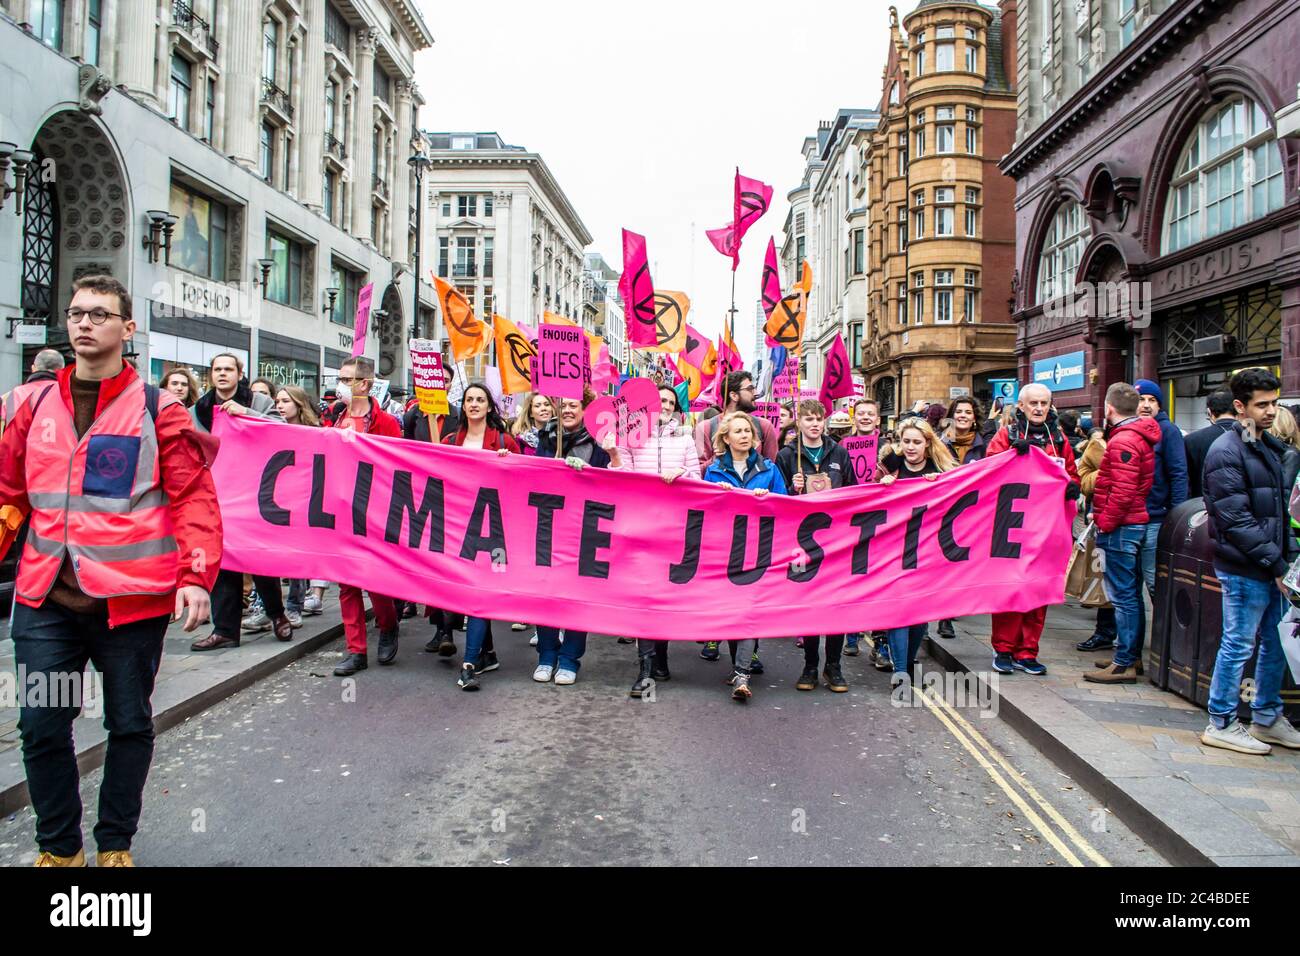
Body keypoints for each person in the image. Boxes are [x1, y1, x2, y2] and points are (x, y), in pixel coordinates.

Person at [0, 275, 219, 867]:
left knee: (128, 724)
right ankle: (59, 849)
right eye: (76, 314)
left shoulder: (159, 408)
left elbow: (193, 495)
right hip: (46, 597)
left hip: (131, 606)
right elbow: (9, 491)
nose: (84, 323)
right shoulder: (31, 404)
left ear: (128, 328)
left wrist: (195, 575)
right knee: (42, 725)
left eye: (99, 314)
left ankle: (114, 843)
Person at [1200, 368, 1300, 755]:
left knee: (1274, 642)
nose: (1272, 411)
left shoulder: (1266, 446)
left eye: (1274, 402)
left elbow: (1281, 511)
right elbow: (1236, 520)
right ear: (1240, 406)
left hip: (1271, 567)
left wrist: (1285, 564)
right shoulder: (1227, 451)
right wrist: (1277, 566)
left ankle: (1266, 718)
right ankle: (1221, 722)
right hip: (1244, 568)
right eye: (1263, 404)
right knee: (1238, 644)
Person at [189, 352, 291, 650]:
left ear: (239, 373)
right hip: (217, 493)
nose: (222, 374)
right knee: (224, 562)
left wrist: (247, 414)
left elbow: (281, 430)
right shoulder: (200, 409)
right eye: (217, 369)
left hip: (254, 491)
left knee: (258, 559)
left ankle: (277, 614)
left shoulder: (257, 401)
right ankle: (225, 630)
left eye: (228, 369)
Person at [984, 383, 1081, 676]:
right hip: (1013, 526)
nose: (1039, 408)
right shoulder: (1006, 435)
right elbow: (988, 471)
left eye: (1044, 403)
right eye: (1033, 403)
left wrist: (1072, 487)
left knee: (1039, 590)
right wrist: (1011, 456)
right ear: (1022, 406)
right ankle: (1003, 649)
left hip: (1047, 526)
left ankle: (1027, 652)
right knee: (1010, 590)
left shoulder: (1060, 438)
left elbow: (1071, 472)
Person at [611, 385, 701, 694]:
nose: (663, 405)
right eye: (659, 400)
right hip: (640, 527)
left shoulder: (686, 440)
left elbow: (698, 481)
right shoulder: (630, 438)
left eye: (669, 402)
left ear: (675, 409)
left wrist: (683, 475)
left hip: (674, 528)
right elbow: (620, 477)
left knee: (663, 598)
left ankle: (660, 656)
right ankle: (646, 668)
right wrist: (613, 452)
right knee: (644, 599)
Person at [700, 411, 787, 701]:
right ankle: (739, 664)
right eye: (738, 431)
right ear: (725, 438)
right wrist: (716, 494)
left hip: (757, 549)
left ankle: (741, 673)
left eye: (748, 431)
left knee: (749, 609)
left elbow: (785, 506)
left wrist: (769, 499)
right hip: (725, 550)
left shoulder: (769, 468)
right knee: (732, 609)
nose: (745, 435)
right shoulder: (713, 472)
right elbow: (704, 511)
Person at [327, 356, 404, 677]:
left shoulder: (386, 422)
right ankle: (355, 649)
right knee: (347, 584)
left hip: (374, 512)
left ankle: (388, 625)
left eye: (346, 380)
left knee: (375, 582)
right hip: (340, 511)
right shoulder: (332, 416)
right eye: (340, 379)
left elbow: (398, 465)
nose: (340, 385)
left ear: (365, 384)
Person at [775, 399, 857, 692]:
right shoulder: (786, 455)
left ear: (824, 422)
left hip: (836, 540)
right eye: (808, 419)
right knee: (809, 605)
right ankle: (810, 667)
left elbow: (854, 492)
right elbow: (774, 499)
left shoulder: (838, 453)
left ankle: (833, 667)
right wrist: (790, 489)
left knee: (837, 605)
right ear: (799, 423)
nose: (814, 424)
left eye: (818, 419)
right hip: (802, 541)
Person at [442, 383, 519, 691]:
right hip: (458, 528)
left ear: (490, 407)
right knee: (468, 595)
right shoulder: (448, 441)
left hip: (494, 532)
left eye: (480, 399)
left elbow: (527, 481)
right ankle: (487, 654)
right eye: (469, 399)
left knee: (479, 595)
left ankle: (469, 664)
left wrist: (508, 463)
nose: (474, 404)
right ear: (463, 406)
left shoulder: (504, 441)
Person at [1084, 383, 1162, 684]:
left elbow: (1124, 490)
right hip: (1132, 523)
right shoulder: (1137, 436)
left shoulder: (1124, 440)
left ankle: (1124, 662)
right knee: (1130, 595)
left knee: (1123, 596)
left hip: (1122, 526)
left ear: (1109, 408)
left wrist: (1105, 521)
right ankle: (1130, 656)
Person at [533, 387, 609, 685]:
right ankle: (546, 655)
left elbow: (610, 480)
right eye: (562, 404)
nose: (567, 410)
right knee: (545, 593)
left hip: (585, 528)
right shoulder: (544, 438)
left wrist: (588, 473)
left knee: (578, 596)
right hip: (548, 524)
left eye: (573, 405)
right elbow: (531, 475)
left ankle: (569, 659)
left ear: (584, 409)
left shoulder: (599, 442)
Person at [876, 420, 955, 678]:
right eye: (906, 441)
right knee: (898, 613)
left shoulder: (940, 470)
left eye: (916, 442)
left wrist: (940, 485)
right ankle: (901, 671)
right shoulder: (889, 467)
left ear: (927, 444)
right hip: (893, 553)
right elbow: (867, 503)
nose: (910, 447)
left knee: (920, 616)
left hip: (927, 553)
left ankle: (907, 663)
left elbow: (958, 503)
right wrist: (882, 487)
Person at [930, 395, 988, 641]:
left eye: (968, 412)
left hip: (971, 513)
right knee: (943, 564)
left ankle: (953, 606)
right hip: (943, 512)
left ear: (975, 418)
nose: (963, 416)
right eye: (959, 412)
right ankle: (944, 617)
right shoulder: (940, 444)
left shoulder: (985, 446)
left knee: (961, 564)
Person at [273, 385, 330, 622]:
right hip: (276, 499)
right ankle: (266, 606)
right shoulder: (271, 428)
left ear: (298, 403)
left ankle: (294, 607)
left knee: (296, 556)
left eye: (285, 401)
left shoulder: (314, 431)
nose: (279, 405)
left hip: (304, 500)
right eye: (277, 401)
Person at [1134, 379, 1188, 621]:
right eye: (1141, 399)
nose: (1146, 405)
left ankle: (1166, 641)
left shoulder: (1168, 431)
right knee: (1130, 586)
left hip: (1157, 518)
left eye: (1152, 400)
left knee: (1155, 580)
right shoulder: (1130, 429)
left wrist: (1176, 516)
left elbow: (1178, 474)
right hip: (1132, 519)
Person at [1075, 425, 1119, 653]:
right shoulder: (1097, 446)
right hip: (1104, 521)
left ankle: (1131, 646)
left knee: (1130, 588)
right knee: (1105, 579)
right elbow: (1082, 479)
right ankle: (1106, 632)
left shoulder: (1163, 436)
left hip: (1141, 522)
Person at [694, 371, 779, 467]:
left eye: (747, 431)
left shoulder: (764, 426)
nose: (755, 393)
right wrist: (716, 459)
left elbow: (772, 470)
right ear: (734, 395)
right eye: (750, 389)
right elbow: (697, 473)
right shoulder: (705, 428)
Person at [1184, 390, 1238, 500]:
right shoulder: (1250, 437)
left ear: (1209, 412)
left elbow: (1186, 479)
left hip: (1203, 504)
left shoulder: (1192, 440)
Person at [511, 392, 556, 457]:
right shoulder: (521, 440)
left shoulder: (561, 436)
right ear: (530, 413)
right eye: (537, 406)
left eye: (547, 404)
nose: (543, 408)